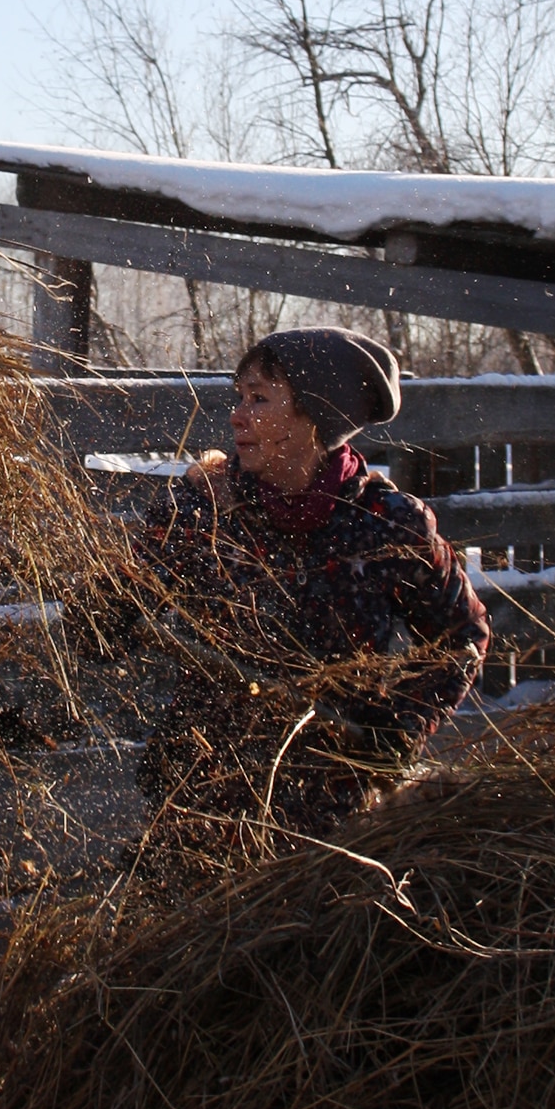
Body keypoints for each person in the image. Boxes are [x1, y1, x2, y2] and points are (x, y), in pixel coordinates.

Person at [133, 327, 490, 855]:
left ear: (316, 417)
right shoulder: (203, 509)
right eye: (240, 398)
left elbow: (462, 635)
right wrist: (104, 611)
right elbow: (121, 597)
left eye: (260, 399)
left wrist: (401, 725)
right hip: (202, 791)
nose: (237, 416)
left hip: (328, 807)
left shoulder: (387, 526)